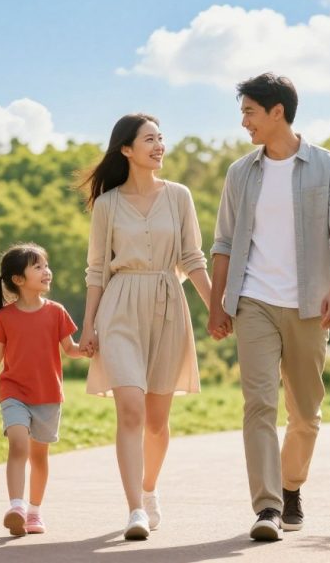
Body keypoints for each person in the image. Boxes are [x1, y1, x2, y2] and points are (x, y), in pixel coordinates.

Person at [207, 73, 330, 541]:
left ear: (278, 112)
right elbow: (224, 243)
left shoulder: (329, 167)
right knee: (258, 405)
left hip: (309, 305)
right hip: (253, 301)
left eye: (250, 112)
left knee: (305, 413)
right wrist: (218, 304)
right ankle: (268, 507)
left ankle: (291, 485)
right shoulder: (240, 173)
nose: (244, 122)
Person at [79, 113, 213, 540]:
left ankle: (149, 490)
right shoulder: (107, 204)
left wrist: (217, 310)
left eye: (161, 138)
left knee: (157, 420)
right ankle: (135, 509)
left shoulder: (179, 196)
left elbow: (192, 259)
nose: (159, 146)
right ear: (126, 149)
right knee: (131, 410)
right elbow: (97, 269)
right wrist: (88, 327)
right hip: (118, 307)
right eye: (149, 139)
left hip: (167, 306)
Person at [0, 243, 85, 536]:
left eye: (46, 265)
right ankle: (16, 507)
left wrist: (86, 349)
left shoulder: (56, 312)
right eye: (38, 266)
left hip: (48, 394)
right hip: (14, 393)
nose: (46, 271)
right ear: (18, 280)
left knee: (39, 456)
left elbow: (70, 350)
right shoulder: (5, 317)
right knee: (18, 446)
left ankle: (34, 512)